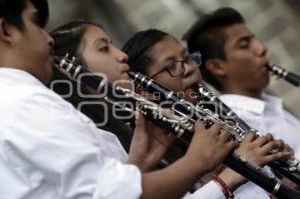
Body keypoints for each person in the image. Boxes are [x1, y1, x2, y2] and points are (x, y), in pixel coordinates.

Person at [0, 0, 239, 197]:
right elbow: (113, 195)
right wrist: (202, 163)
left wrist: (138, 165)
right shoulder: (25, 103)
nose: (47, 38)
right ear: (6, 30)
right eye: (34, 21)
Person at [122, 28, 292, 198]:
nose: (189, 68)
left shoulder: (224, 123)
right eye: (171, 65)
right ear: (144, 91)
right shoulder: (151, 164)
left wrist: (286, 184)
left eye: (187, 58)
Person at [183, 7, 300, 197]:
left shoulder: (267, 103)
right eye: (245, 45)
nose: (261, 48)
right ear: (217, 67)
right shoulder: (232, 127)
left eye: (254, 39)